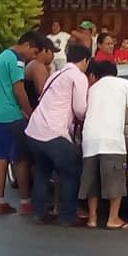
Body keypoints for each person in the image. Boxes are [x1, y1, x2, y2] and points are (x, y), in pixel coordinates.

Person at [80, 60, 128, 230]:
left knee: (92, 180)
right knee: (115, 179)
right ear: (115, 72)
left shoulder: (92, 89)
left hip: (89, 139)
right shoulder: (125, 84)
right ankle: (113, 219)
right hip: (111, 139)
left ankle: (92, 218)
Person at [24, 44, 90, 226]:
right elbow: (80, 109)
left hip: (34, 131)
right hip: (53, 133)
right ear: (85, 61)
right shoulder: (78, 76)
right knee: (72, 170)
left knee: (43, 170)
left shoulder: (56, 74)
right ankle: (68, 216)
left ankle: (39, 213)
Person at [0, 31, 43, 215]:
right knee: (21, 159)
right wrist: (30, 112)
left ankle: (0, 201)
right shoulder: (17, 60)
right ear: (26, 45)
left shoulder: (2, 57)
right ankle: (25, 202)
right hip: (11, 115)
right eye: (34, 52)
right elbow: (19, 90)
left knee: (1, 157)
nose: (33, 57)